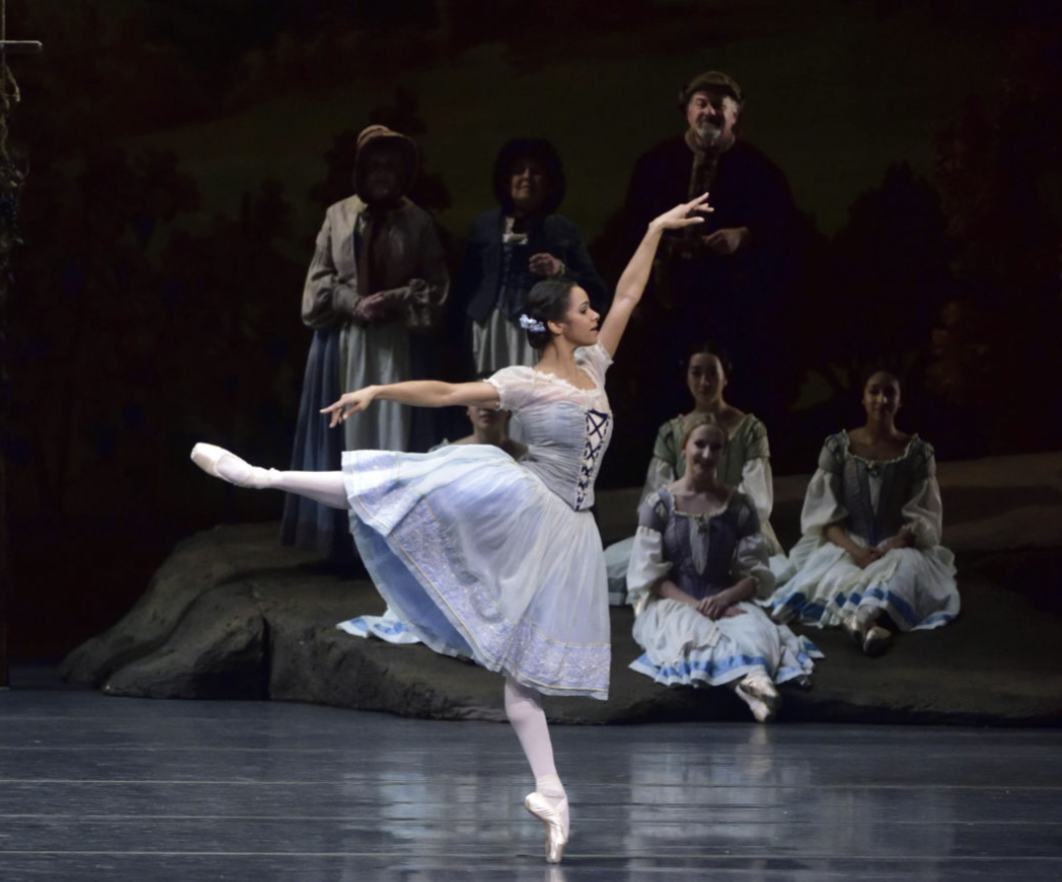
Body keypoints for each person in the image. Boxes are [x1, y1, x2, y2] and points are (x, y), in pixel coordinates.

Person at [190, 194, 713, 864]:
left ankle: (551, 793)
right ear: (557, 324)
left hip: (567, 533)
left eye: (591, 308)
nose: (594, 314)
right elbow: (443, 392)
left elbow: (631, 296)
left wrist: (652, 227)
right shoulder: (521, 382)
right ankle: (265, 478)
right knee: (402, 487)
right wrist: (377, 391)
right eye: (583, 309)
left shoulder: (594, 367)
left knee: (521, 676)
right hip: (523, 503)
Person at [282, 124, 449, 557]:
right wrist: (351, 301)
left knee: (396, 433)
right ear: (359, 170)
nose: (382, 173)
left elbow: (436, 286)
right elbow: (315, 287)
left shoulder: (416, 221)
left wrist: (392, 300)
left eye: (391, 165)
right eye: (373, 164)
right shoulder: (338, 216)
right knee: (348, 435)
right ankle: (345, 542)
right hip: (346, 345)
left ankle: (396, 541)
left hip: (397, 346)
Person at [623, 70, 796, 424]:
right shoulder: (654, 166)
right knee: (665, 393)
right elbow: (629, 232)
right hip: (668, 302)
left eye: (720, 105)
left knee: (741, 390)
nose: (709, 112)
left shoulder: (761, 171)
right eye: (701, 104)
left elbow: (787, 233)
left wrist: (744, 236)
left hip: (735, 304)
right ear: (688, 111)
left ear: (735, 115)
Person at [627, 413, 820, 722]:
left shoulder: (739, 505)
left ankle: (753, 689)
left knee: (756, 632)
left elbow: (754, 574)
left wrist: (723, 599)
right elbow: (654, 578)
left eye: (715, 448)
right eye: (699, 445)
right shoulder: (660, 504)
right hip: (676, 601)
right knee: (696, 637)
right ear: (683, 446)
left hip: (725, 595)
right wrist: (697, 605)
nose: (706, 454)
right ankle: (752, 686)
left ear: (723, 452)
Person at [766, 371, 960, 655]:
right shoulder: (838, 447)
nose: (881, 400)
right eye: (874, 392)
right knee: (836, 578)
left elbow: (922, 513)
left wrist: (892, 545)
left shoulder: (916, 451)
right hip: (849, 542)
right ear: (863, 398)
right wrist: (856, 551)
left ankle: (862, 619)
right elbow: (826, 519)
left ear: (900, 401)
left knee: (902, 572)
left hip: (898, 543)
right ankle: (870, 628)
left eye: (889, 393)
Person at [603, 343, 788, 604]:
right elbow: (658, 494)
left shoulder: (749, 429)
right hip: (684, 525)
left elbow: (758, 501)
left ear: (726, 376)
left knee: (768, 576)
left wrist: (725, 528)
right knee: (617, 565)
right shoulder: (672, 431)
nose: (704, 381)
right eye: (696, 373)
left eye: (712, 373)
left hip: (738, 530)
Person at [336, 400, 526, 644]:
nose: (485, 409)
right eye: (477, 404)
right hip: (465, 538)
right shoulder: (448, 453)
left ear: (508, 411)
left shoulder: (525, 456)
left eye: (493, 404)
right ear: (467, 410)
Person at [460, 138, 607, 376]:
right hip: (491, 324)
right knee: (490, 391)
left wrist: (560, 271)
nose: (526, 177)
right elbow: (465, 284)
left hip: (532, 323)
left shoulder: (562, 229)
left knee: (533, 386)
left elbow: (596, 290)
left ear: (549, 182)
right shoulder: (484, 225)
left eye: (536, 172)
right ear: (506, 179)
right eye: (518, 171)